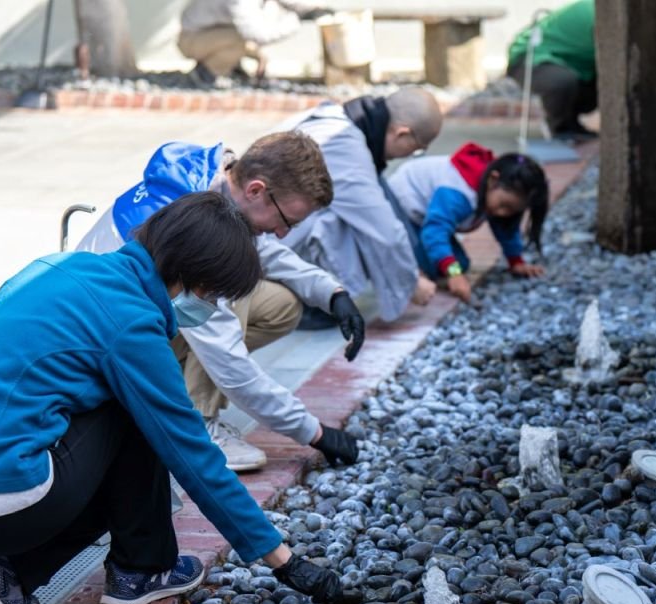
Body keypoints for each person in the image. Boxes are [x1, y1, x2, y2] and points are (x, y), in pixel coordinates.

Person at [0, 192, 343, 604]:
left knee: (116, 418)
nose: (213, 308)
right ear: (195, 277)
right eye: (215, 296)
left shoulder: (62, 266)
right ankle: (142, 569)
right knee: (142, 417)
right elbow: (194, 453)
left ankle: (6, 572)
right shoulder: (131, 323)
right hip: (2, 503)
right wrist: (282, 559)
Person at [77, 132, 363, 472]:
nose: (284, 233)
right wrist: (313, 433)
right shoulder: (195, 229)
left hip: (130, 316)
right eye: (287, 221)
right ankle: (198, 425)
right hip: (103, 348)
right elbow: (231, 366)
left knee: (281, 306)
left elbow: (264, 252)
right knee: (231, 291)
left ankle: (179, 390)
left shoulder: (211, 183)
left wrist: (332, 293)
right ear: (256, 190)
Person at [275, 87, 444, 326]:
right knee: (357, 219)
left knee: (379, 191)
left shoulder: (340, 119)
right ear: (401, 133)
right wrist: (411, 282)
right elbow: (383, 231)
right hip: (271, 254)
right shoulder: (344, 147)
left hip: (274, 237)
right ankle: (304, 305)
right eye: (417, 149)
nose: (409, 156)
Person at [387, 143, 549, 303]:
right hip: (398, 212)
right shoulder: (458, 193)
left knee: (460, 264)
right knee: (439, 266)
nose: (503, 213)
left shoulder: (491, 191)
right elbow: (434, 232)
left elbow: (506, 229)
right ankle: (396, 267)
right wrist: (454, 274)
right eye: (503, 205)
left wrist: (516, 261)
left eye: (512, 210)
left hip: (424, 218)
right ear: (493, 179)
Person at [177, 0, 330, 85]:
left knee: (242, 39)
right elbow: (255, 35)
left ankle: (230, 67)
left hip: (210, 34)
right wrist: (296, 22)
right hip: (191, 39)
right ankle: (206, 73)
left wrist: (314, 9)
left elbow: (288, 2)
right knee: (241, 39)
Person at [506, 0, 597, 142]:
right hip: (530, 57)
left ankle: (571, 122)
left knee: (598, 85)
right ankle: (561, 129)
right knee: (562, 82)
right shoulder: (598, 13)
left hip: (572, 62)